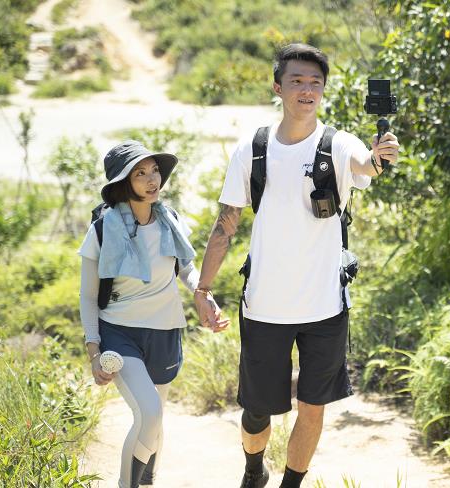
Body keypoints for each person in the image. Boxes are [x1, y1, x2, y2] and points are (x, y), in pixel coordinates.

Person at [193, 43, 400, 488]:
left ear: (324, 90)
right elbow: (226, 223)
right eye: (297, 81)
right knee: (256, 412)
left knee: (313, 405)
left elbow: (368, 164)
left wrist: (382, 155)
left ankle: (291, 484)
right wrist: (203, 290)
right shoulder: (254, 147)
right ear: (278, 87)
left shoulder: (338, 144)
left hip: (325, 306)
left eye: (315, 83)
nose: (307, 90)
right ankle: (253, 467)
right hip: (265, 305)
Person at [79, 140, 207, 488]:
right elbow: (89, 298)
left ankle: (148, 480)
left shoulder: (170, 220)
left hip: (165, 331)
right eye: (141, 173)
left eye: (154, 171)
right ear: (124, 182)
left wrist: (201, 291)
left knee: (156, 418)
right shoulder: (102, 230)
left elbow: (186, 268)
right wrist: (93, 352)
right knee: (148, 412)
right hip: (119, 333)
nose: (153, 180)